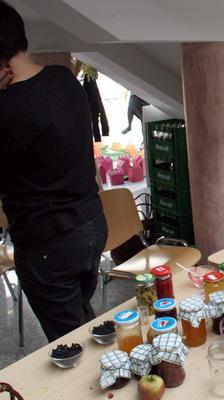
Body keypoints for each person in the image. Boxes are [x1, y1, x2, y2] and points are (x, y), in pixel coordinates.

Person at [0, 0, 107, 342]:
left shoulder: (7, 109)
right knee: (82, 324)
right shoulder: (63, 78)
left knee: (68, 341)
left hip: (48, 240)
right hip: (90, 224)